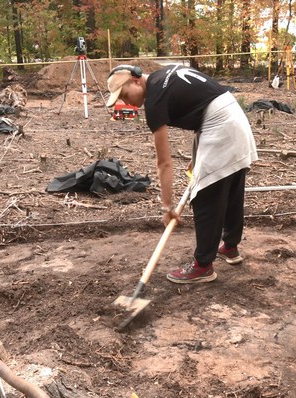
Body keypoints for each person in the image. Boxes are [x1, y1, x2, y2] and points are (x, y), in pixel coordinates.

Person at [105, 65, 258, 283]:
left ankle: (203, 266)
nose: (125, 102)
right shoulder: (162, 75)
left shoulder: (155, 100)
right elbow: (201, 104)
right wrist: (199, 154)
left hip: (220, 125)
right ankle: (230, 247)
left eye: (125, 94)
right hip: (232, 117)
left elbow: (164, 163)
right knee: (230, 183)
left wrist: (168, 207)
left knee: (205, 194)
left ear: (136, 80)